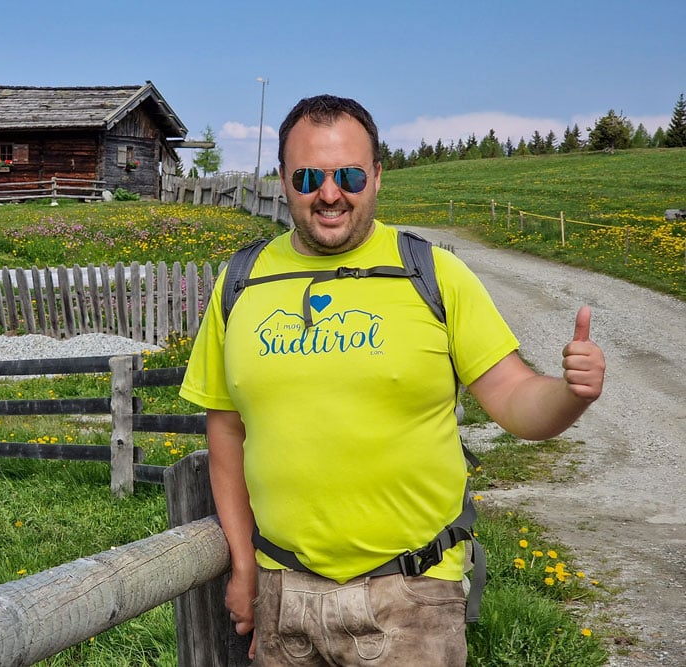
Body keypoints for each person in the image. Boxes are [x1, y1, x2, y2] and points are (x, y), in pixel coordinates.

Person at [178, 94, 605, 666]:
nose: (329, 194)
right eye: (308, 177)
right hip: (285, 598)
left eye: (349, 174)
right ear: (282, 180)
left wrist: (569, 393)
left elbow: (514, 399)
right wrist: (244, 565)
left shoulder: (434, 274)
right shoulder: (239, 283)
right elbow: (226, 432)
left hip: (412, 597)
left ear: (377, 175)